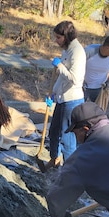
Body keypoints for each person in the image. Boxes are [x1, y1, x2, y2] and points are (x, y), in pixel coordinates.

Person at [44, 21, 86, 171]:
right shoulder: (66, 50)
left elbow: (75, 79)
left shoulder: (77, 52)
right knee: (54, 132)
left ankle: (70, 171)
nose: (56, 41)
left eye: (58, 38)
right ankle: (54, 160)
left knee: (67, 138)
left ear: (66, 36)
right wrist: (53, 94)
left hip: (72, 101)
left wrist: (60, 66)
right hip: (61, 99)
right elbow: (61, 78)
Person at [83, 34, 109, 104]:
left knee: (97, 112)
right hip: (83, 87)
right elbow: (78, 65)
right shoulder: (89, 51)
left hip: (99, 89)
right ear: (107, 48)